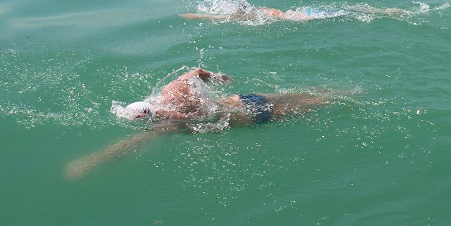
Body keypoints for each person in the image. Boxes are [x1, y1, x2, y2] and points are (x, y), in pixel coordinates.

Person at [65, 67, 329, 179]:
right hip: (246, 99)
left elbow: (130, 144)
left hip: (255, 117)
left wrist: (89, 163)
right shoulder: (170, 90)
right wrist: (215, 77)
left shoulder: (169, 123)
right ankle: (347, 91)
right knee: (310, 96)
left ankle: (343, 98)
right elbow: (196, 72)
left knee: (313, 105)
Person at [180, 0, 406, 23]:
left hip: (301, 17)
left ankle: (384, 12)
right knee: (346, 11)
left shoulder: (253, 15)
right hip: (303, 11)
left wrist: (196, 16)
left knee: (346, 14)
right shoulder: (258, 9)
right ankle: (383, 11)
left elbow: (215, 17)